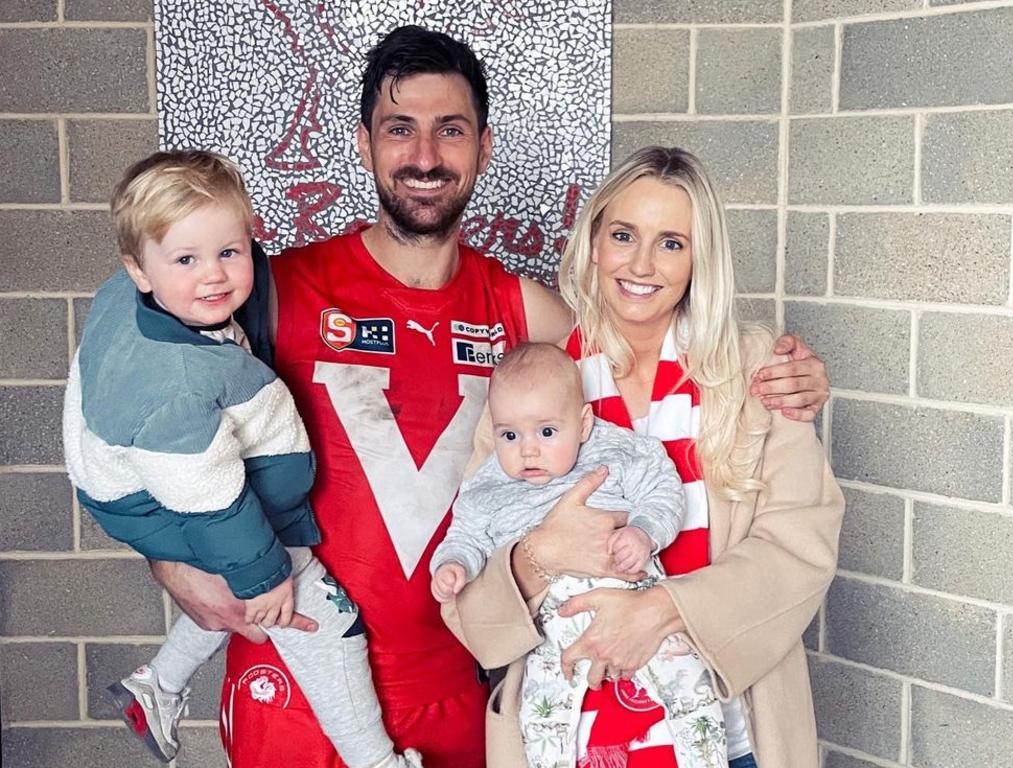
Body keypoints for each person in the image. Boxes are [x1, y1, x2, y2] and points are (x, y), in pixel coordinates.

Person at [148, 27, 832, 768]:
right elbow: (132, 389)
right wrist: (169, 561)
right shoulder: (273, 288)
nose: (424, 156)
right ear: (363, 144)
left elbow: (659, 346)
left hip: (469, 691)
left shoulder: (529, 317)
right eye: (399, 129)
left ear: (484, 147)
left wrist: (795, 377)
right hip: (310, 671)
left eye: (451, 130)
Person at [442, 146, 844, 768]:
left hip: (728, 734)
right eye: (624, 235)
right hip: (567, 739)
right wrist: (540, 557)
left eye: (671, 243)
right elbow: (468, 604)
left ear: (698, 258)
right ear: (594, 243)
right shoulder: (534, 386)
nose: (641, 264)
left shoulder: (757, 371)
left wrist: (662, 611)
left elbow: (801, 546)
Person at [63, 151, 420, 768]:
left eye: (230, 252)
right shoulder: (172, 384)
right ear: (138, 269)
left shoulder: (154, 300)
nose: (214, 276)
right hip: (155, 492)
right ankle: (377, 762)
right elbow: (213, 503)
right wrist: (266, 577)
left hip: (142, 474)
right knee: (321, 615)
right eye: (186, 260)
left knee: (231, 571)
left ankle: (157, 687)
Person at [430, 342, 727, 768]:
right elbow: (467, 533)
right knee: (542, 711)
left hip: (637, 594)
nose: (527, 450)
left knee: (689, 683)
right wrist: (454, 564)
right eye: (509, 435)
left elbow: (662, 490)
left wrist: (644, 532)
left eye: (547, 432)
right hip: (555, 623)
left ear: (583, 423)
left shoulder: (615, 452)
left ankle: (707, 759)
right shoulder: (487, 486)